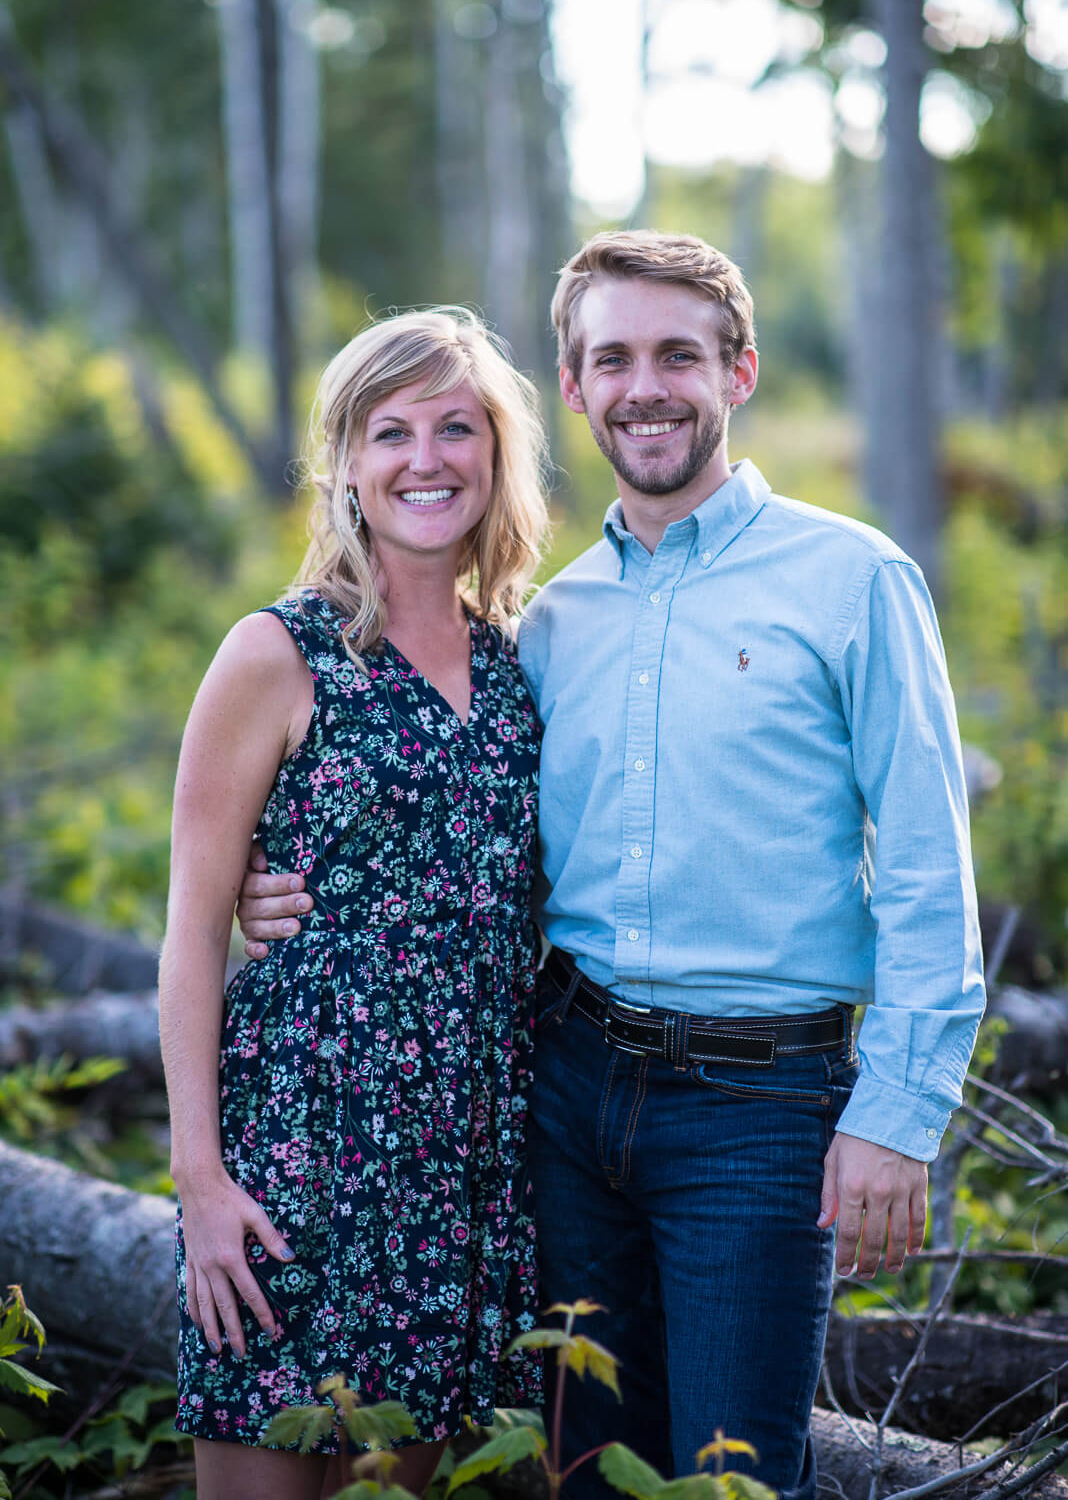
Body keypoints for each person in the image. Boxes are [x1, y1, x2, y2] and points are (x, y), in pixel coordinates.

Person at [236, 233, 986, 1500]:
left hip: (757, 1106)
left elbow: (926, 867)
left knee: (732, 1471)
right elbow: (476, 845)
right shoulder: (554, 624)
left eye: (679, 355)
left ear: (737, 370)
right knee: (584, 1467)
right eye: (613, 358)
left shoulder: (852, 579)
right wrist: (279, 893)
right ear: (574, 391)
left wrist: (898, 1119)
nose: (648, 386)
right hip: (567, 1090)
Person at [158, 306, 549, 1500]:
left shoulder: (520, 664)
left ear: (496, 454)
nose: (424, 459)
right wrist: (203, 1186)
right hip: (293, 1160)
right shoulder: (277, 653)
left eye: (454, 427)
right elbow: (188, 934)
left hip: (460, 1168)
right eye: (390, 432)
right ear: (344, 465)